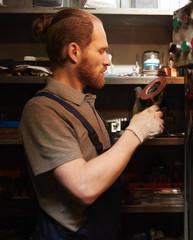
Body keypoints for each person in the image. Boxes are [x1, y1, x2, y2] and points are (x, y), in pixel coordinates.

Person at [19, 8, 164, 240]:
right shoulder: (42, 111)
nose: (108, 61)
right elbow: (84, 187)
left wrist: (133, 120)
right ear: (74, 52)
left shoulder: (82, 103)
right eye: (102, 50)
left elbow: (98, 158)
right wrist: (136, 131)